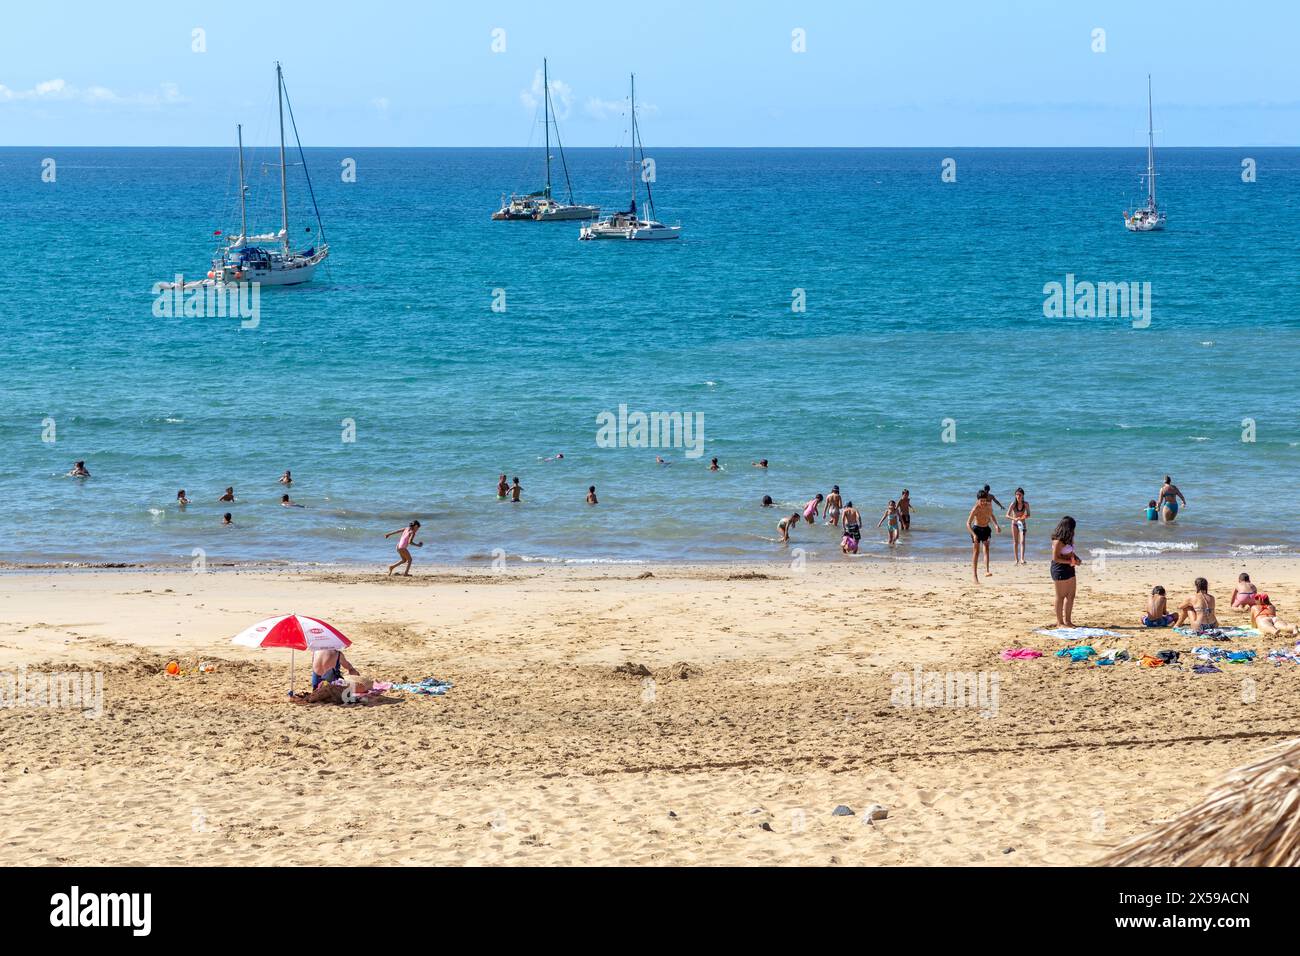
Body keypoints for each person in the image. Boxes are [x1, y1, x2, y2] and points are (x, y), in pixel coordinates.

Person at [1050, 516, 1083, 626]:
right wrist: (1070, 561)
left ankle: (1068, 621)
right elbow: (1055, 558)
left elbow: (1071, 552)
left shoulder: (1069, 538)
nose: (1074, 530)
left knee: (1071, 595)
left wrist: (1076, 559)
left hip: (1070, 567)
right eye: (1073, 528)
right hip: (1059, 569)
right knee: (1060, 596)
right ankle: (1060, 622)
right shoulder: (1058, 541)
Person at [967, 489, 1001, 582]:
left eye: (984, 500)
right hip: (977, 530)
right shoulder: (975, 508)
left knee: (986, 549)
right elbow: (968, 523)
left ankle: (987, 571)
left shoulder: (989, 506)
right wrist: (973, 535)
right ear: (978, 500)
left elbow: (991, 515)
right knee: (976, 552)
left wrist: (996, 525)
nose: (983, 502)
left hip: (986, 529)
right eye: (981, 501)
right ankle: (975, 576)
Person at [1006, 488, 1030, 565]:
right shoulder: (1013, 504)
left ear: (1023, 495)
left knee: (1022, 541)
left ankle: (1022, 559)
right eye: (1017, 495)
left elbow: (1028, 514)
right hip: (1014, 524)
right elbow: (1007, 515)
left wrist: (1022, 517)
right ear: (1015, 495)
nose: (1018, 496)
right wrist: (1014, 518)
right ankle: (1016, 559)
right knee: (1015, 542)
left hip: (1022, 524)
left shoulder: (1026, 504)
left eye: (1020, 495)